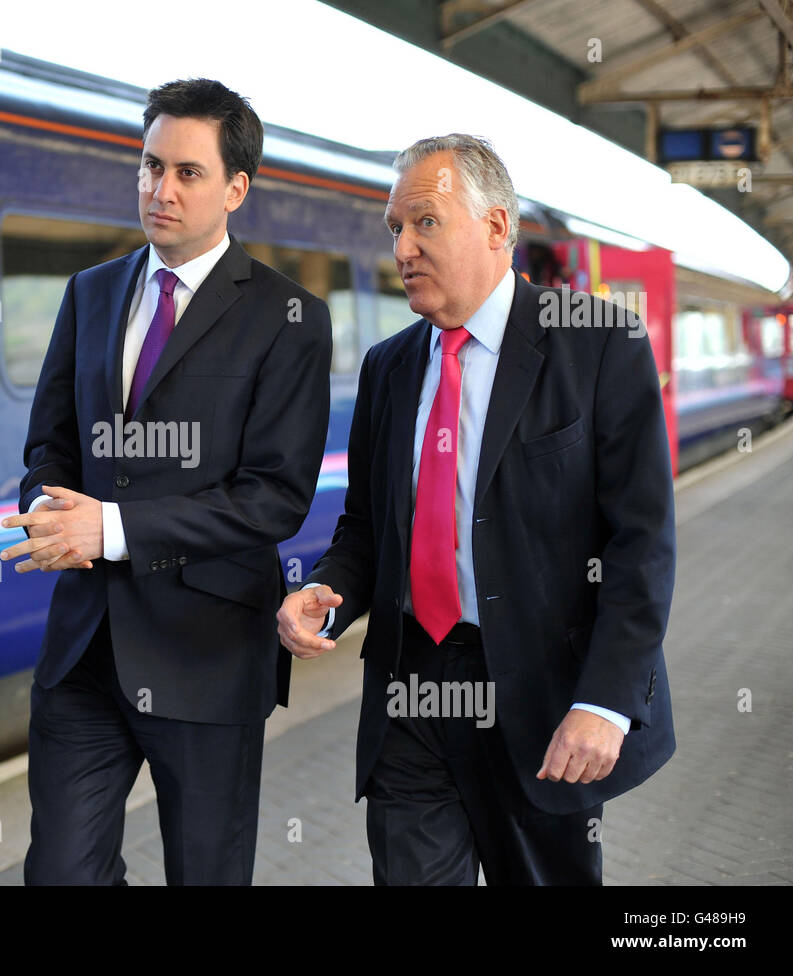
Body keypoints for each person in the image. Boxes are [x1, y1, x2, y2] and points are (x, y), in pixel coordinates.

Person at [277, 134, 676, 885]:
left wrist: (606, 702)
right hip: (412, 690)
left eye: (425, 222)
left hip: (545, 699)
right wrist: (326, 596)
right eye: (394, 227)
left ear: (496, 227)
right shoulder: (389, 367)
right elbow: (365, 527)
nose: (403, 246)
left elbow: (642, 545)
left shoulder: (597, 346)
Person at [0, 78, 332, 885]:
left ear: (235, 189)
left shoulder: (288, 317)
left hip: (208, 659)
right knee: (60, 875)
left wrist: (110, 529)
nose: (161, 189)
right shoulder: (91, 292)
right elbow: (49, 443)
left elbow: (274, 497)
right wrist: (49, 505)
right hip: (84, 653)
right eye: (150, 166)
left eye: (187, 172)